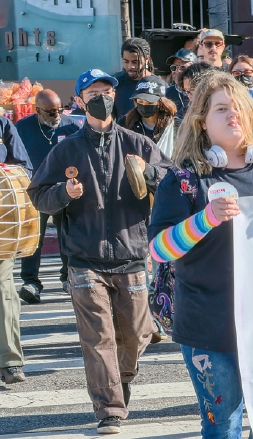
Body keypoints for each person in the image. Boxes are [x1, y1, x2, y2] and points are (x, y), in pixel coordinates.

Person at [147, 71, 253, 438]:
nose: (233, 116)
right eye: (221, 109)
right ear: (202, 123)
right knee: (223, 423)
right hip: (209, 324)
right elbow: (159, 248)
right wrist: (205, 219)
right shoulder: (183, 178)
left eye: (239, 107)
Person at [27, 69, 173, 434]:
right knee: (98, 338)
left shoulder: (137, 143)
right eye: (94, 92)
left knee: (138, 333)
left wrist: (148, 174)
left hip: (132, 253)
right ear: (79, 100)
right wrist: (64, 194)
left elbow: (173, 181)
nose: (103, 97)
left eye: (108, 91)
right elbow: (38, 195)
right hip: (83, 258)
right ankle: (109, 409)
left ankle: (120, 380)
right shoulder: (66, 149)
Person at [15, 89, 79, 303]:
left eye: (59, 109)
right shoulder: (23, 128)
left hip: (63, 189)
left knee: (67, 235)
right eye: (51, 112)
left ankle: (68, 277)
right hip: (36, 190)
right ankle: (31, 281)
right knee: (33, 238)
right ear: (38, 111)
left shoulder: (71, 125)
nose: (57, 115)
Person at [0, 115, 33, 385]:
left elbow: (24, 168)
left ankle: (9, 360)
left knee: (3, 289)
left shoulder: (2, 124)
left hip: (1, 221)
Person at [121, 76, 178, 156]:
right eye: (140, 101)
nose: (144, 105)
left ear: (160, 102)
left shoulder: (174, 126)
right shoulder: (125, 123)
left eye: (150, 102)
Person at [113, 38, 154, 118]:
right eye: (126, 61)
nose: (130, 66)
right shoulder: (115, 83)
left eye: (135, 62)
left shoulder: (158, 85)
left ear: (146, 59)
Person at [165, 48, 196, 120]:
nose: (177, 71)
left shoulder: (201, 93)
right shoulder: (166, 94)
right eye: (174, 67)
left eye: (183, 67)